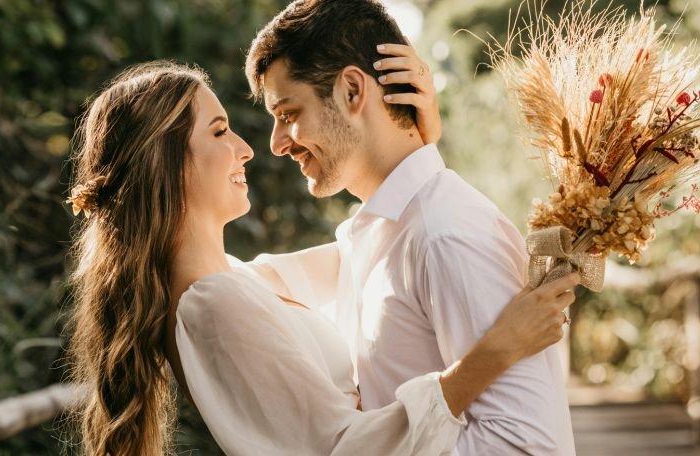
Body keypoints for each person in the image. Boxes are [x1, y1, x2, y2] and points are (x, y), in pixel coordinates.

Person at [65, 59, 578, 455]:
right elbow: (339, 448)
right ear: (165, 162)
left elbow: (375, 244)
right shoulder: (212, 305)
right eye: (219, 131)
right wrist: (493, 354)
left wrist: (412, 143)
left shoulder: (237, 283)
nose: (247, 148)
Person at [242, 0, 577, 454]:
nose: (277, 143)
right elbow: (243, 283)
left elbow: (528, 446)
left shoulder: (447, 234)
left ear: (352, 91)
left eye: (288, 114)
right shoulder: (373, 233)